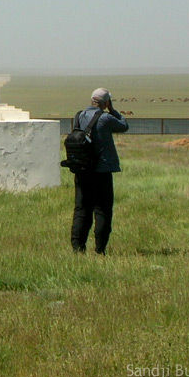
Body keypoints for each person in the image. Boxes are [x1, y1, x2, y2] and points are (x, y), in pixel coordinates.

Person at [70, 88, 128, 255]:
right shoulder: (106, 118)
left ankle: (78, 249)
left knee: (82, 209)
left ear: (91, 100)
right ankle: (100, 249)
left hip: (82, 170)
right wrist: (113, 110)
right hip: (101, 171)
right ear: (105, 102)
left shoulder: (79, 116)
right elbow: (124, 126)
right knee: (102, 210)